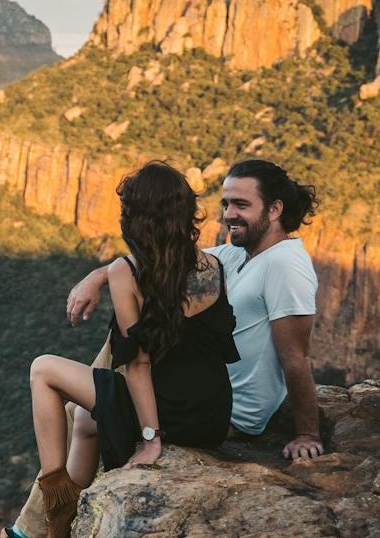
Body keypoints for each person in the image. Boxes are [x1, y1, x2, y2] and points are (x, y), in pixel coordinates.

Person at [0, 161, 237, 538]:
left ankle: (56, 501)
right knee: (85, 419)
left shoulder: (128, 271)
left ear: (135, 218)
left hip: (169, 412)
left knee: (43, 370)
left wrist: (150, 439)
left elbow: (137, 363)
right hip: (212, 412)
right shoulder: (211, 265)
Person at [65, 157, 323, 461]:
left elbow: (296, 355)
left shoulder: (285, 263)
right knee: (82, 403)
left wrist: (307, 434)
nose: (229, 215)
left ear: (275, 209)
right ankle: (54, 501)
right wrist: (97, 277)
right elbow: (151, 263)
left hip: (225, 412)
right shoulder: (233, 253)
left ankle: (53, 503)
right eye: (225, 204)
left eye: (241, 204)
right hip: (204, 391)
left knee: (87, 406)